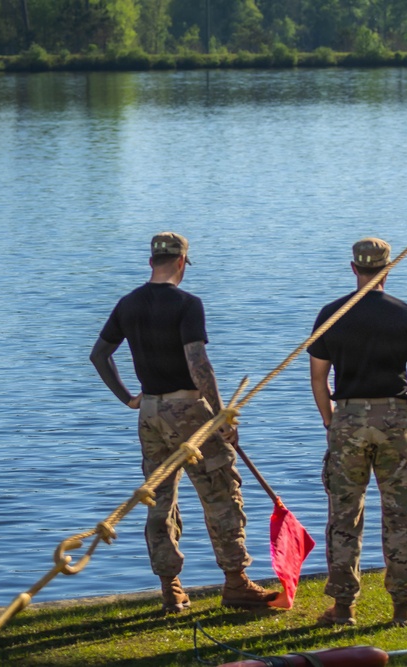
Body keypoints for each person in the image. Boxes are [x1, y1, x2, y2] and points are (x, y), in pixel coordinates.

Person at [90, 232, 279, 614]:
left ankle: (171, 589)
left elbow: (99, 355)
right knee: (221, 493)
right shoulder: (187, 304)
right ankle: (236, 582)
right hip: (189, 409)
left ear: (151, 263)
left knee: (158, 500)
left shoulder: (128, 304)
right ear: (181, 263)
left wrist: (129, 398)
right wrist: (222, 413)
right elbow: (197, 363)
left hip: (150, 413)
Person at [307, 237, 407, 628]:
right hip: (396, 419)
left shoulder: (330, 314)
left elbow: (317, 376)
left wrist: (332, 420)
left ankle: (343, 608)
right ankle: (402, 608)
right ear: (388, 268)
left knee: (344, 516)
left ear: (353, 268)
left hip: (347, 420)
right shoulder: (406, 314)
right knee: (401, 515)